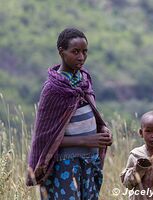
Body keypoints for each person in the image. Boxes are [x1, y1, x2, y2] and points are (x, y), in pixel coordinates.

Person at [26, 28, 112, 200]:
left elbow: (92, 113)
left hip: (89, 162)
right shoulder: (53, 89)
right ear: (61, 52)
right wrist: (85, 140)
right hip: (65, 165)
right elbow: (46, 139)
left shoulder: (84, 80)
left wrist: (102, 128)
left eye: (84, 52)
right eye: (75, 52)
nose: (81, 57)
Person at [120, 111, 153, 200]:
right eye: (148, 131)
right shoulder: (136, 155)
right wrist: (139, 169)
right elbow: (127, 184)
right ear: (141, 133)